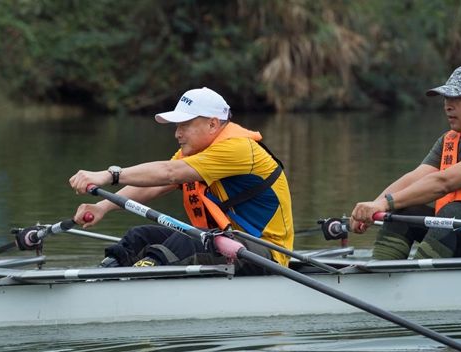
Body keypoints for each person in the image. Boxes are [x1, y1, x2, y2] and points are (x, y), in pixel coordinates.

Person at [69, 87, 294, 275]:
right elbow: (155, 185)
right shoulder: (194, 154)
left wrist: (110, 175)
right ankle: (100, 277)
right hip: (222, 241)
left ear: (213, 125)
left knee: (186, 243)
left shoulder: (239, 149)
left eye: (185, 125)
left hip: (266, 254)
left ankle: (141, 278)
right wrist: (102, 207)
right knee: (140, 236)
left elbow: (169, 172)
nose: (177, 133)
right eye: (177, 126)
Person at [350, 63, 461, 259]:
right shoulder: (449, 140)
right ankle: (379, 274)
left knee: (452, 214)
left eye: (457, 97)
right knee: (405, 208)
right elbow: (416, 178)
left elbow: (443, 183)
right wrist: (372, 207)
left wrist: (384, 204)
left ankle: (419, 279)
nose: (448, 105)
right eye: (446, 97)